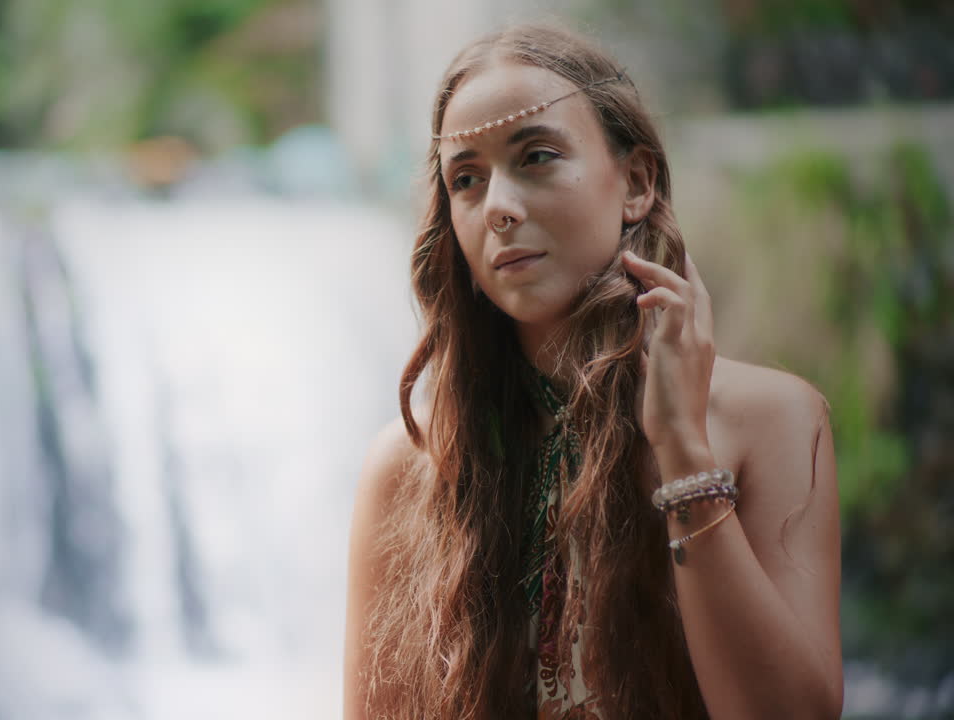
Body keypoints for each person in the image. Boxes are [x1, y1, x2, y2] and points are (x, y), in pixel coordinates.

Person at [342, 23, 843, 720]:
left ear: (635, 181)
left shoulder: (773, 418)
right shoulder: (414, 462)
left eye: (537, 156)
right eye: (466, 180)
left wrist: (682, 451)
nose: (500, 209)